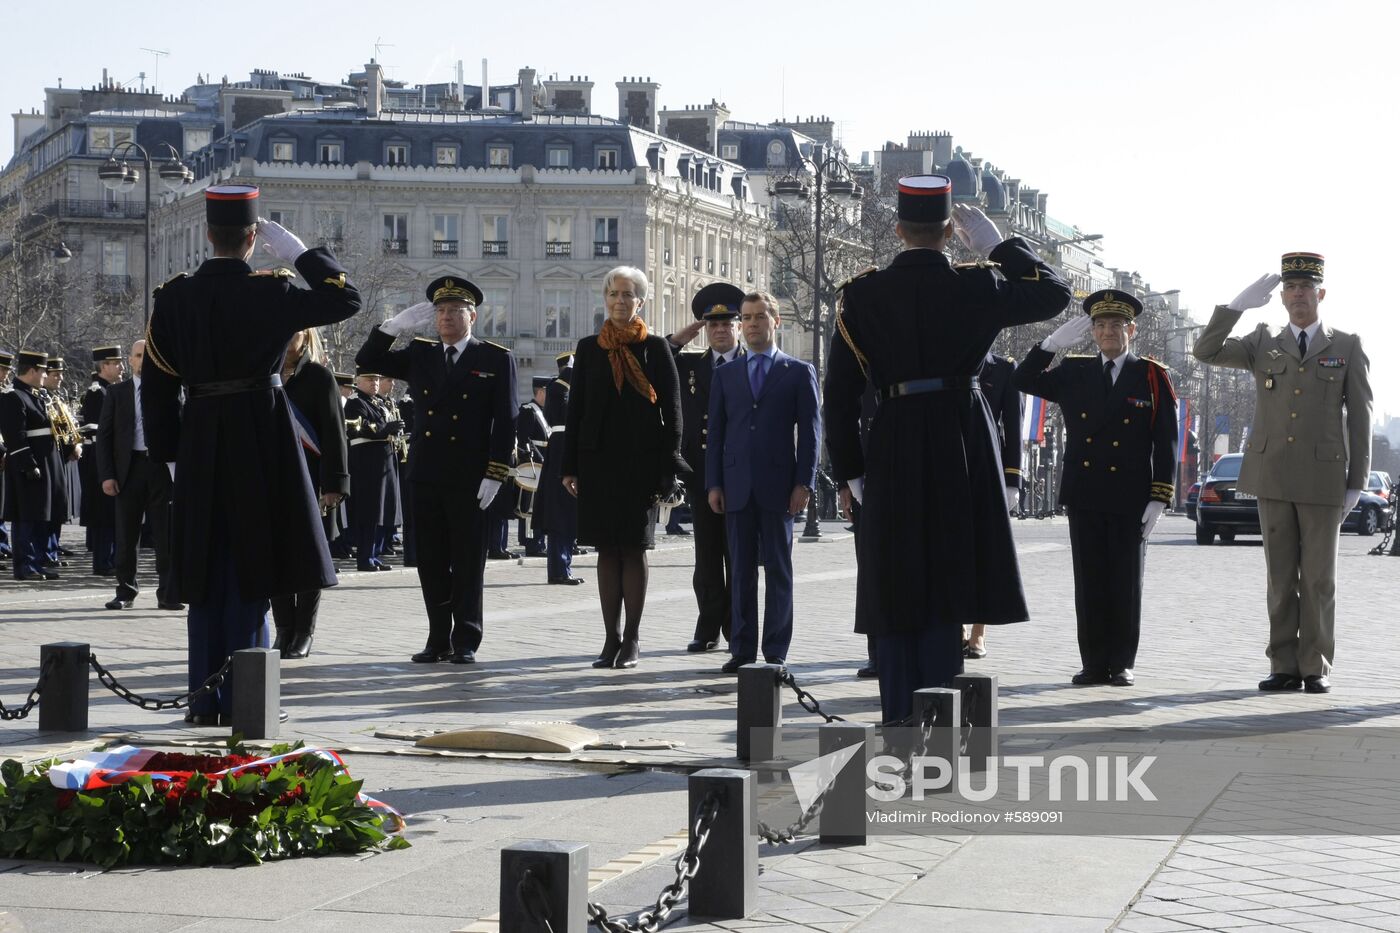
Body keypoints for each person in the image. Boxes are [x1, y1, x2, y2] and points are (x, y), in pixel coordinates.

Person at [823, 174, 1071, 724]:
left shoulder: (860, 294)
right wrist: (996, 246)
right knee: (948, 567)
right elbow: (1055, 293)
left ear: (897, 230)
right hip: (961, 432)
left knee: (894, 572)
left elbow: (837, 396)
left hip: (893, 433)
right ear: (946, 232)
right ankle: (938, 715)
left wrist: (849, 470)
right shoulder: (978, 285)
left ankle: (896, 714)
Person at [140, 184, 362, 726]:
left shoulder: (173, 297)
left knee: (205, 565)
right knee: (251, 563)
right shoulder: (273, 291)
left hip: (199, 436)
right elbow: (346, 299)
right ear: (251, 240)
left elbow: (157, 387)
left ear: (208, 235)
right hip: (260, 436)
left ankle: (203, 699)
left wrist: (169, 454)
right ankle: (248, 698)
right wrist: (300, 254)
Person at [1193, 254, 1372, 694]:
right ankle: (1283, 664)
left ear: (1320, 294)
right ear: (1282, 297)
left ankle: (1316, 666)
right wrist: (1235, 306)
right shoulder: (1262, 341)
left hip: (1322, 478)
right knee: (1279, 577)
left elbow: (1360, 417)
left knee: (1318, 578)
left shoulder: (1346, 345)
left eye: (1305, 288)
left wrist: (1357, 481)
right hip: (1272, 474)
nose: (1297, 296)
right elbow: (1205, 350)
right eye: (1290, 288)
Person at [1015, 291, 1178, 686]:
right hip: (1085, 490)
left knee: (1124, 581)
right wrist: (1050, 345)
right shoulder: (1073, 370)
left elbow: (1167, 440)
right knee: (1089, 582)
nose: (1108, 332)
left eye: (1116, 325)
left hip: (1130, 495)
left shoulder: (1152, 376)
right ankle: (1092, 662)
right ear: (1091, 332)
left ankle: (1121, 662)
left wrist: (1160, 496)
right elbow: (1022, 379)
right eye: (1100, 325)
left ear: (1131, 330)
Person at [356, 275, 517, 664]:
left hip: (470, 477)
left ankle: (466, 638)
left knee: (466, 561)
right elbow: (369, 362)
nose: (445, 318)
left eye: (454, 311)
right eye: (440, 311)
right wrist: (391, 328)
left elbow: (506, 421)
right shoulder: (422, 353)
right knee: (429, 560)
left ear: (472, 316)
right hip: (426, 473)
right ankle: (437, 638)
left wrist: (495, 473)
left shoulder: (494, 358)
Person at [562, 266, 685, 669]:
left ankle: (632, 638)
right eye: (613, 294)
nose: (619, 301)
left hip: (641, 464)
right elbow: (575, 410)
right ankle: (609, 638)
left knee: (633, 549)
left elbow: (674, 413)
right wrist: (570, 467)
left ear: (641, 302)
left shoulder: (655, 348)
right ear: (605, 299)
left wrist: (668, 468)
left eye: (628, 295)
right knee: (605, 550)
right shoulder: (589, 348)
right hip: (597, 463)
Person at [707, 291, 818, 672]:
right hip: (736, 486)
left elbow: (811, 433)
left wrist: (804, 483)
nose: (752, 324)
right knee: (739, 571)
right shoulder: (725, 375)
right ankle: (741, 649)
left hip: (780, 487)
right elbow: (717, 435)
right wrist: (714, 484)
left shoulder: (798, 372)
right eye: (748, 318)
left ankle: (775, 651)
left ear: (776, 321)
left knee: (778, 571)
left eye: (759, 317)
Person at [668, 282, 746, 653]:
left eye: (727, 323)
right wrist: (681, 337)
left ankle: (738, 628)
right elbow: (655, 361)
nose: (719, 330)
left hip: (743, 474)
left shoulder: (753, 363)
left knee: (740, 556)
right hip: (702, 473)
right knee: (708, 556)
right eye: (712, 324)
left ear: (739, 327)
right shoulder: (690, 365)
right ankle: (708, 626)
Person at [270, 327, 348, 658]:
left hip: (311, 478)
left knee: (309, 557)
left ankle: (304, 631)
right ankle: (283, 629)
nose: (288, 336)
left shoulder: (319, 376)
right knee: (275, 557)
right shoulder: (265, 373)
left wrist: (334, 485)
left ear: (307, 335)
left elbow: (334, 431)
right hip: (271, 478)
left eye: (296, 330)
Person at [97, 340, 179, 610]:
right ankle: (125, 591)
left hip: (160, 467)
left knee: (165, 535)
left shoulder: (170, 390)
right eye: (138, 356)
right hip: (129, 469)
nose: (142, 361)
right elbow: (105, 437)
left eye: (147, 356)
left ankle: (168, 592)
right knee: (126, 534)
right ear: (130, 361)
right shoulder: (117, 393)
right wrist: (107, 475)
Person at [963, 351, 1025, 660]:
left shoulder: (1004, 368)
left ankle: (979, 630)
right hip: (954, 466)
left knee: (985, 552)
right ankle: (957, 625)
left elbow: (1013, 426)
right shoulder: (951, 358)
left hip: (989, 469)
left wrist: (1012, 480)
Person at [0, 350, 66, 580]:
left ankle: (38, 561)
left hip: (46, 463)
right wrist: (28, 463)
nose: (45, 375)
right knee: (26, 516)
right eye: (43, 370)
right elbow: (14, 435)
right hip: (28, 465)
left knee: (41, 514)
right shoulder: (13, 396)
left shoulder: (36, 395)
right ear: (32, 371)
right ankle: (24, 565)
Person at [533, 352, 582, 585]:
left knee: (567, 516)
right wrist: (572, 371)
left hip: (566, 452)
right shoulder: (557, 388)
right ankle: (559, 569)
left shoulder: (564, 389)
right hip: (562, 455)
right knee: (560, 517)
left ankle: (564, 567)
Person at [344, 369, 397, 572]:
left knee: (381, 512)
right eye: (370, 379)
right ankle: (364, 557)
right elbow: (356, 429)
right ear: (358, 381)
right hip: (366, 464)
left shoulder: (378, 402)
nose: (375, 383)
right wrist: (384, 430)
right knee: (369, 512)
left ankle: (374, 554)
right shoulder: (356, 402)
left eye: (376, 379)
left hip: (383, 461)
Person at [79, 345, 123, 575]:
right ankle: (103, 560)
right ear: (104, 366)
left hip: (105, 458)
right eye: (116, 363)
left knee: (110, 512)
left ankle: (110, 558)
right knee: (103, 512)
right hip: (98, 459)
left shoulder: (109, 390)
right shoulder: (98, 392)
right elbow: (98, 431)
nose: (121, 367)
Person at [41, 357, 80, 567]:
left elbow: (67, 426)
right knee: (50, 507)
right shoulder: (44, 398)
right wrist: (71, 447)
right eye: (55, 374)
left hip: (61, 454)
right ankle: (47, 549)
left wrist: (73, 446)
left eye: (60, 374)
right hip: (51, 454)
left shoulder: (56, 397)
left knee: (58, 505)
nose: (60, 378)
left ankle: (53, 546)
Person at [515, 377, 551, 557]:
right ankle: (532, 543)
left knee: (541, 506)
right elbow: (525, 439)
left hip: (544, 462)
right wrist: (540, 459)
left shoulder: (543, 412)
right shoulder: (528, 411)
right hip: (535, 464)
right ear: (541, 391)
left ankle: (539, 541)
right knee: (530, 506)